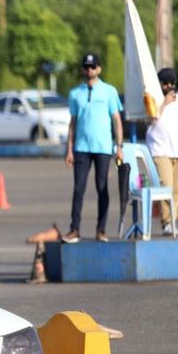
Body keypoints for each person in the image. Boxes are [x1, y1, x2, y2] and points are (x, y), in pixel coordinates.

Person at [63, 52, 124, 243]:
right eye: (86, 67)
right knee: (79, 188)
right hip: (81, 147)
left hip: (103, 147)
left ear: (99, 69)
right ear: (83, 69)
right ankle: (74, 229)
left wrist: (119, 146)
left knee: (102, 187)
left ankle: (101, 229)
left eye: (93, 67)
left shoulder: (109, 91)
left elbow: (116, 120)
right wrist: (69, 149)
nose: (89, 70)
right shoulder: (75, 93)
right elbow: (72, 123)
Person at [146, 67, 178, 236]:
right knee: (165, 186)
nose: (169, 86)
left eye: (171, 83)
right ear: (159, 84)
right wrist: (164, 103)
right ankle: (167, 222)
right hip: (160, 150)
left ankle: (172, 221)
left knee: (176, 190)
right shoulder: (153, 100)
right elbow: (152, 119)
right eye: (165, 83)